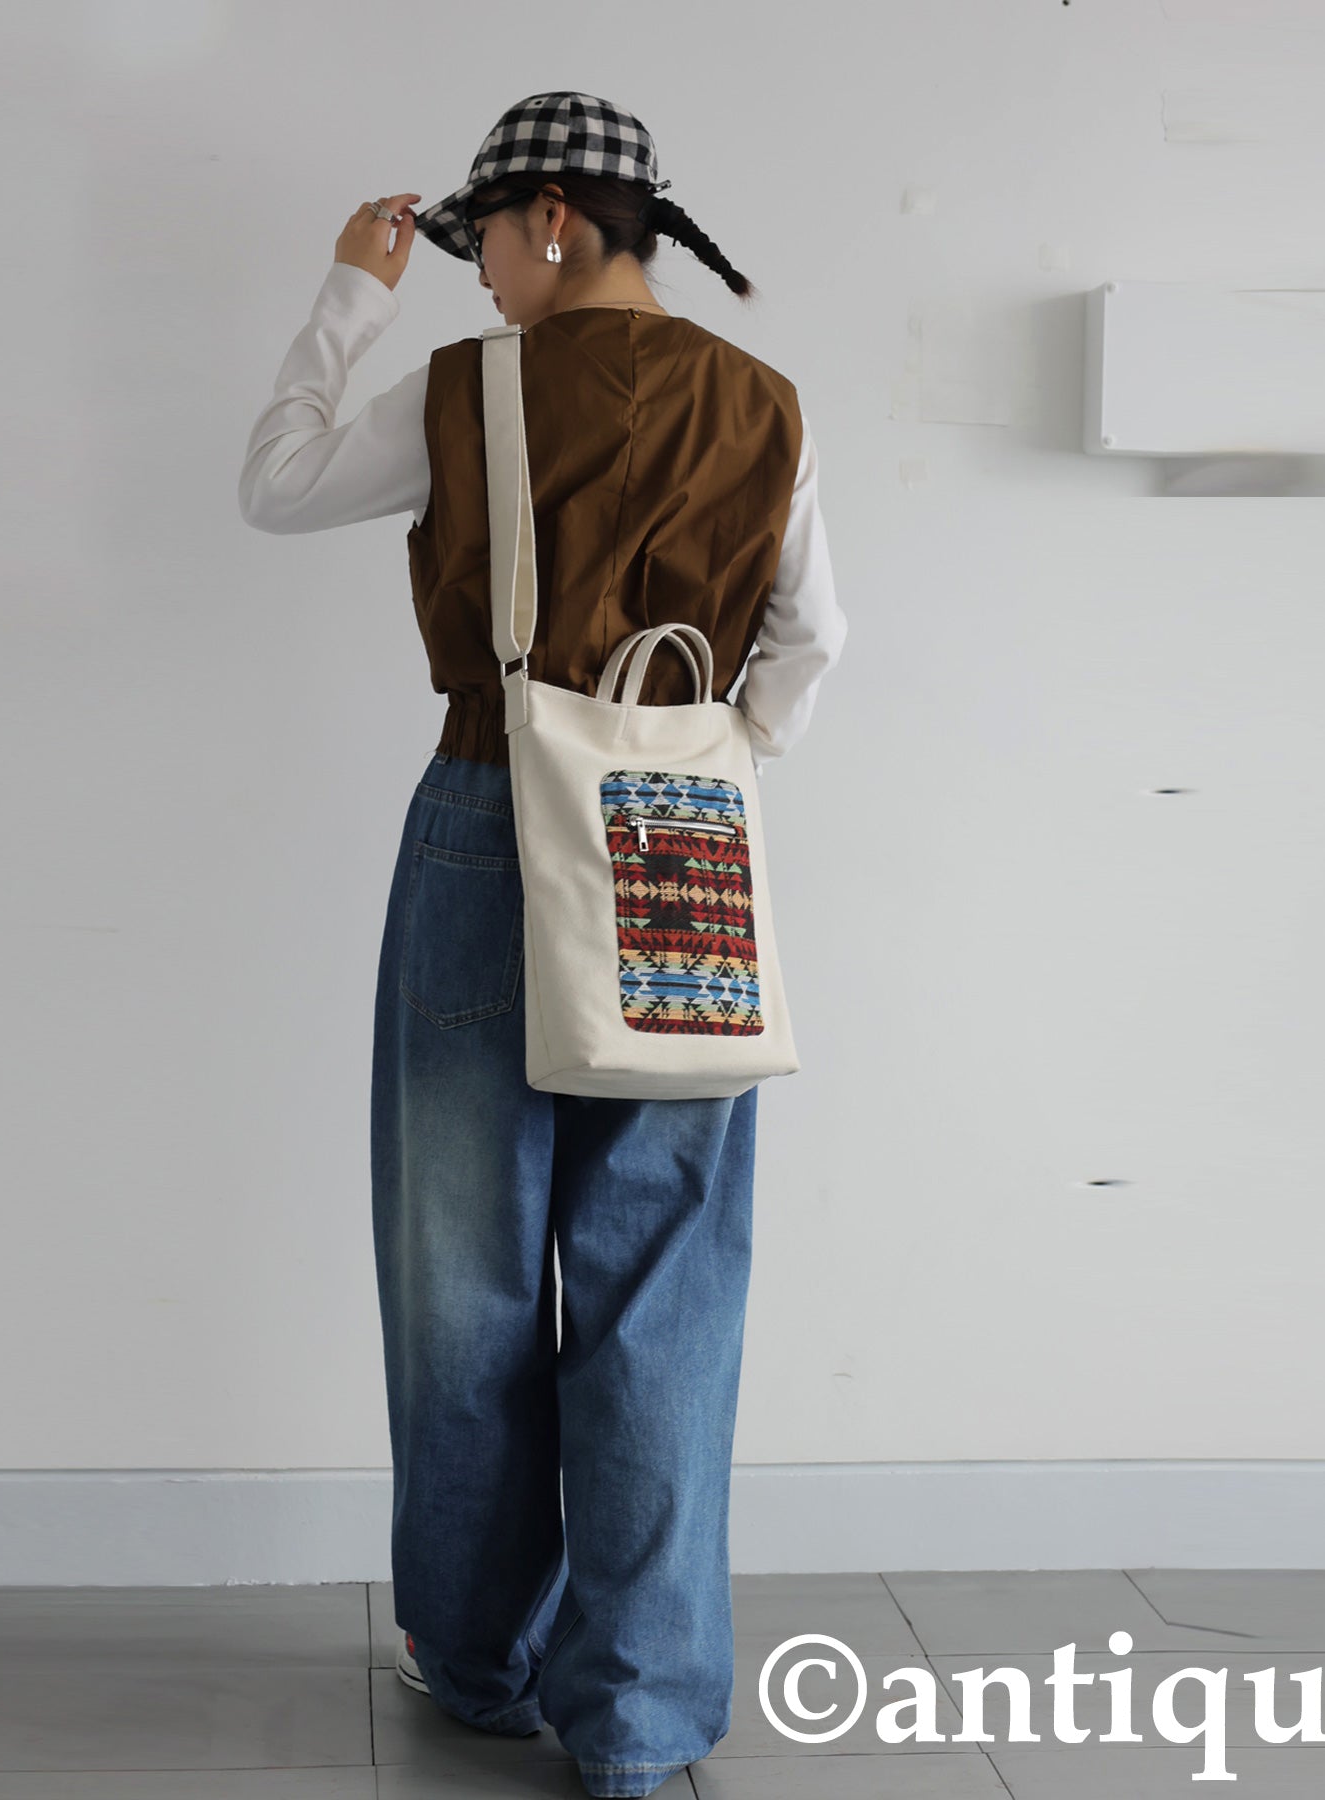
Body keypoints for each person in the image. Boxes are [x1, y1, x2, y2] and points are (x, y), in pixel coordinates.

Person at [237, 91, 847, 1800]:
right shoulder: (766, 402)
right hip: (678, 844)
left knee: (466, 1284)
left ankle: (481, 1657)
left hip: (488, 824)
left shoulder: (468, 390)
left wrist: (351, 295)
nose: (483, 278)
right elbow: (812, 644)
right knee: (667, 1278)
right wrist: (686, 756)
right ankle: (640, 1717)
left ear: (555, 219)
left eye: (485, 243)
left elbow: (274, 485)